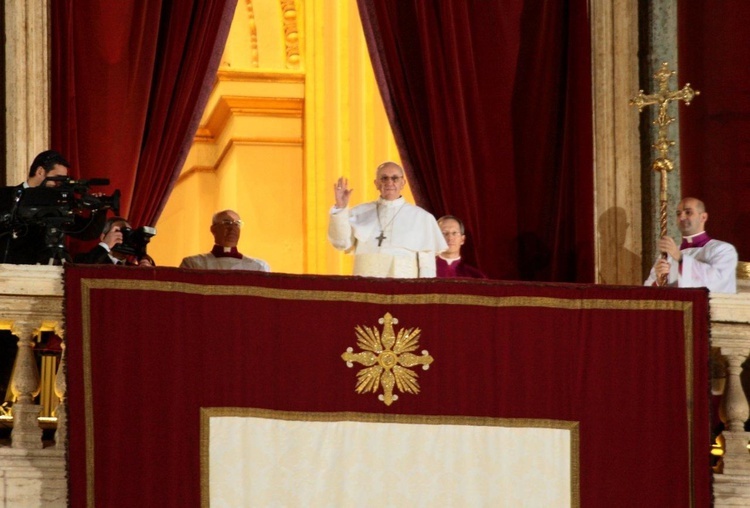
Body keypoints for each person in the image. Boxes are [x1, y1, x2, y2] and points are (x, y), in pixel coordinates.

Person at [328, 161, 447, 278]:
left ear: (403, 183)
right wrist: (340, 208)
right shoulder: (358, 212)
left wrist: (424, 293)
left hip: (403, 286)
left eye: (395, 178)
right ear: (376, 183)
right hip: (365, 285)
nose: (389, 182)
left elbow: (427, 264)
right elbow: (341, 243)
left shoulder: (422, 218)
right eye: (384, 178)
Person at [0, 150, 106, 264]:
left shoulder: (60, 203)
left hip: (46, 269)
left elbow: (87, 232)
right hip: (8, 269)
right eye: (57, 179)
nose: (59, 184)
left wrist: (100, 209)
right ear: (40, 172)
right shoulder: (5, 196)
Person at [644, 197, 737, 293]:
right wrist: (659, 282)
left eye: (688, 212)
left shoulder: (723, 249)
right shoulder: (667, 255)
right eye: (678, 214)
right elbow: (647, 291)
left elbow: (718, 281)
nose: (682, 217)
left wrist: (680, 258)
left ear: (703, 217)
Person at [179, 209, 270, 271]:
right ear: (213, 229)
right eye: (227, 223)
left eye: (237, 224)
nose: (232, 228)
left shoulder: (258, 267)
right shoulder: (193, 264)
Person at [74, 216, 154, 266]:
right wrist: (105, 245)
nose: (123, 237)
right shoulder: (84, 260)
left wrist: (148, 274)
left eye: (128, 234)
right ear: (103, 237)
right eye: (118, 232)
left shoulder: (135, 269)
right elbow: (80, 271)